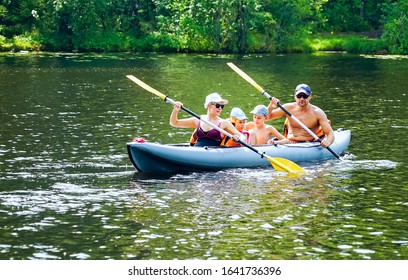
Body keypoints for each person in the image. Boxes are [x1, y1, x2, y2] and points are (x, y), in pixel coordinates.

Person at [267, 83, 334, 148]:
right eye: (299, 96)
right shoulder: (288, 108)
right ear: (295, 97)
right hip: (288, 142)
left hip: (307, 144)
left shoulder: (317, 113)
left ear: (310, 96)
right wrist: (271, 107)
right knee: (270, 142)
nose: (302, 99)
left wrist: (327, 142)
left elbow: (330, 133)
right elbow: (267, 118)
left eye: (304, 96)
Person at [170, 92, 244, 147]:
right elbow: (174, 123)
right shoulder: (198, 120)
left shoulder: (223, 123)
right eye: (218, 105)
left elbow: (242, 137)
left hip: (213, 155)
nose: (220, 108)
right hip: (196, 151)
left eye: (222, 106)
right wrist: (176, 110)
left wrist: (237, 138)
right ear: (209, 105)